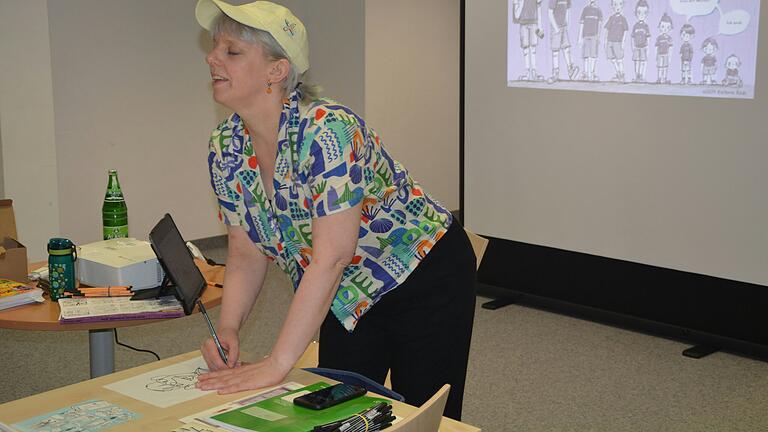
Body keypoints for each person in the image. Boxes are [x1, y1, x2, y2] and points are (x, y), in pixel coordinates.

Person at [193, 0, 477, 421]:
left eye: (232, 52)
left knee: (422, 417)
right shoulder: (226, 145)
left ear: (277, 71)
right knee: (336, 414)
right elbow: (245, 248)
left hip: (423, 276)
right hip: (346, 291)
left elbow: (331, 256)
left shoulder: (328, 130)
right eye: (216, 48)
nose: (213, 58)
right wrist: (229, 327)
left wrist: (277, 362)